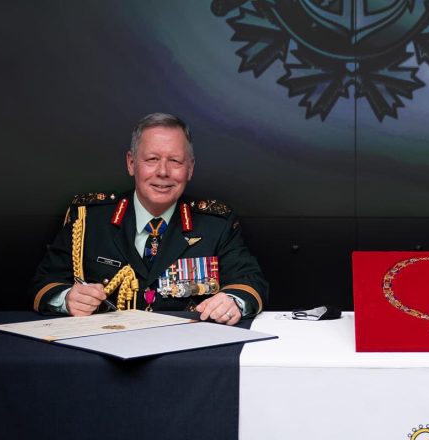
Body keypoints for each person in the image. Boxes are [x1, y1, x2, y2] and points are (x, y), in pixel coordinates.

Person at [31, 112, 267, 324]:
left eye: (175, 161)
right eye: (152, 159)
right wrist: (67, 299)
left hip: (183, 353)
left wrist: (232, 302)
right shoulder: (89, 219)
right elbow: (44, 283)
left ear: (190, 168)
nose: (163, 172)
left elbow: (249, 282)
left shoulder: (216, 223)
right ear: (131, 163)